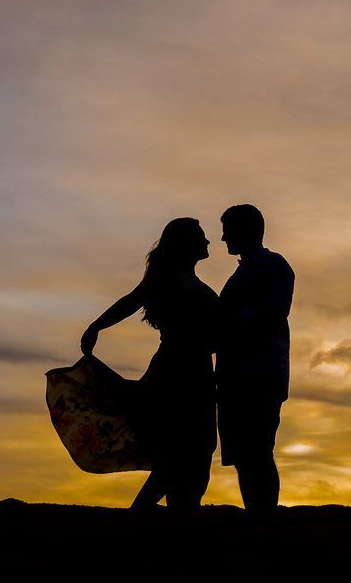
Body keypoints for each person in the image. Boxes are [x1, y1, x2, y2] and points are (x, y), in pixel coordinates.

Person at [80, 217, 218, 509]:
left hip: (199, 371)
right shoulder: (167, 275)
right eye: (200, 236)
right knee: (183, 451)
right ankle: (142, 514)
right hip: (176, 370)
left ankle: (181, 513)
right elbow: (132, 300)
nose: (207, 241)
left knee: (199, 450)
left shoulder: (191, 280)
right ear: (184, 243)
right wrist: (96, 326)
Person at [216, 204, 294, 512]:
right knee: (242, 454)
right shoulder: (244, 271)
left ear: (246, 231)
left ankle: (263, 517)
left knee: (257, 451)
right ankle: (256, 515)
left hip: (259, 372)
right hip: (235, 374)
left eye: (228, 231)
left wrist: (228, 325)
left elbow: (274, 309)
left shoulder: (273, 265)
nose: (223, 238)